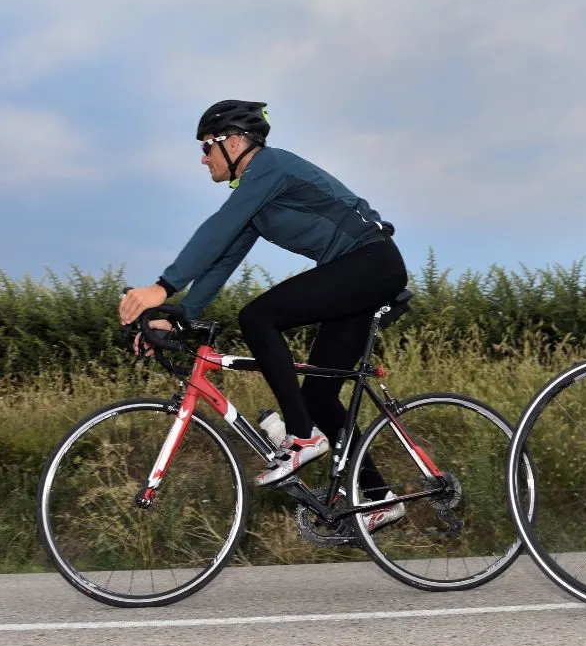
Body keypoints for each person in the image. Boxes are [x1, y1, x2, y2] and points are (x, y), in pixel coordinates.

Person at [118, 99, 407, 528]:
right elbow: (222, 255)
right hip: (359, 272)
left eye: (207, 147)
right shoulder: (257, 195)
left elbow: (217, 227)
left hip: (370, 263)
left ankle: (302, 437)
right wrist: (178, 314)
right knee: (318, 396)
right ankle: (382, 499)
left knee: (258, 317)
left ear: (233, 142)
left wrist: (162, 286)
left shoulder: (268, 167)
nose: (203, 159)